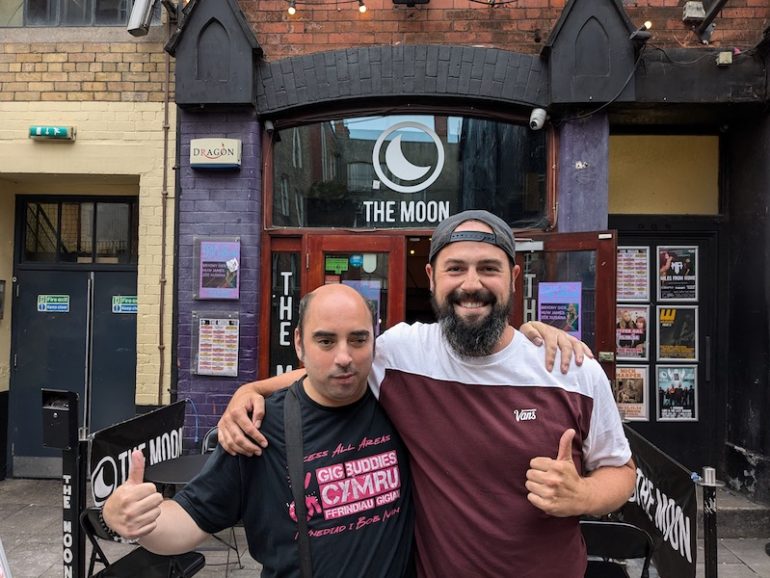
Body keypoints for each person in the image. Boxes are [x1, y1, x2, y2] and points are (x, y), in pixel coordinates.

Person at [219, 210, 635, 578]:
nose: (471, 284)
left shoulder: (573, 371)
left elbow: (621, 472)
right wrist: (250, 389)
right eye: (456, 268)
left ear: (513, 278)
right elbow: (332, 369)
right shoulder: (403, 353)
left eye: (488, 268)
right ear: (433, 278)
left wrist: (582, 495)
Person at [102, 284, 416, 577]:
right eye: (326, 341)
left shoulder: (402, 403)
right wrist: (137, 521)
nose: (345, 357)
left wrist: (251, 386)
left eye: (358, 339)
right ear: (298, 343)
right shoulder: (259, 425)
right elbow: (191, 518)